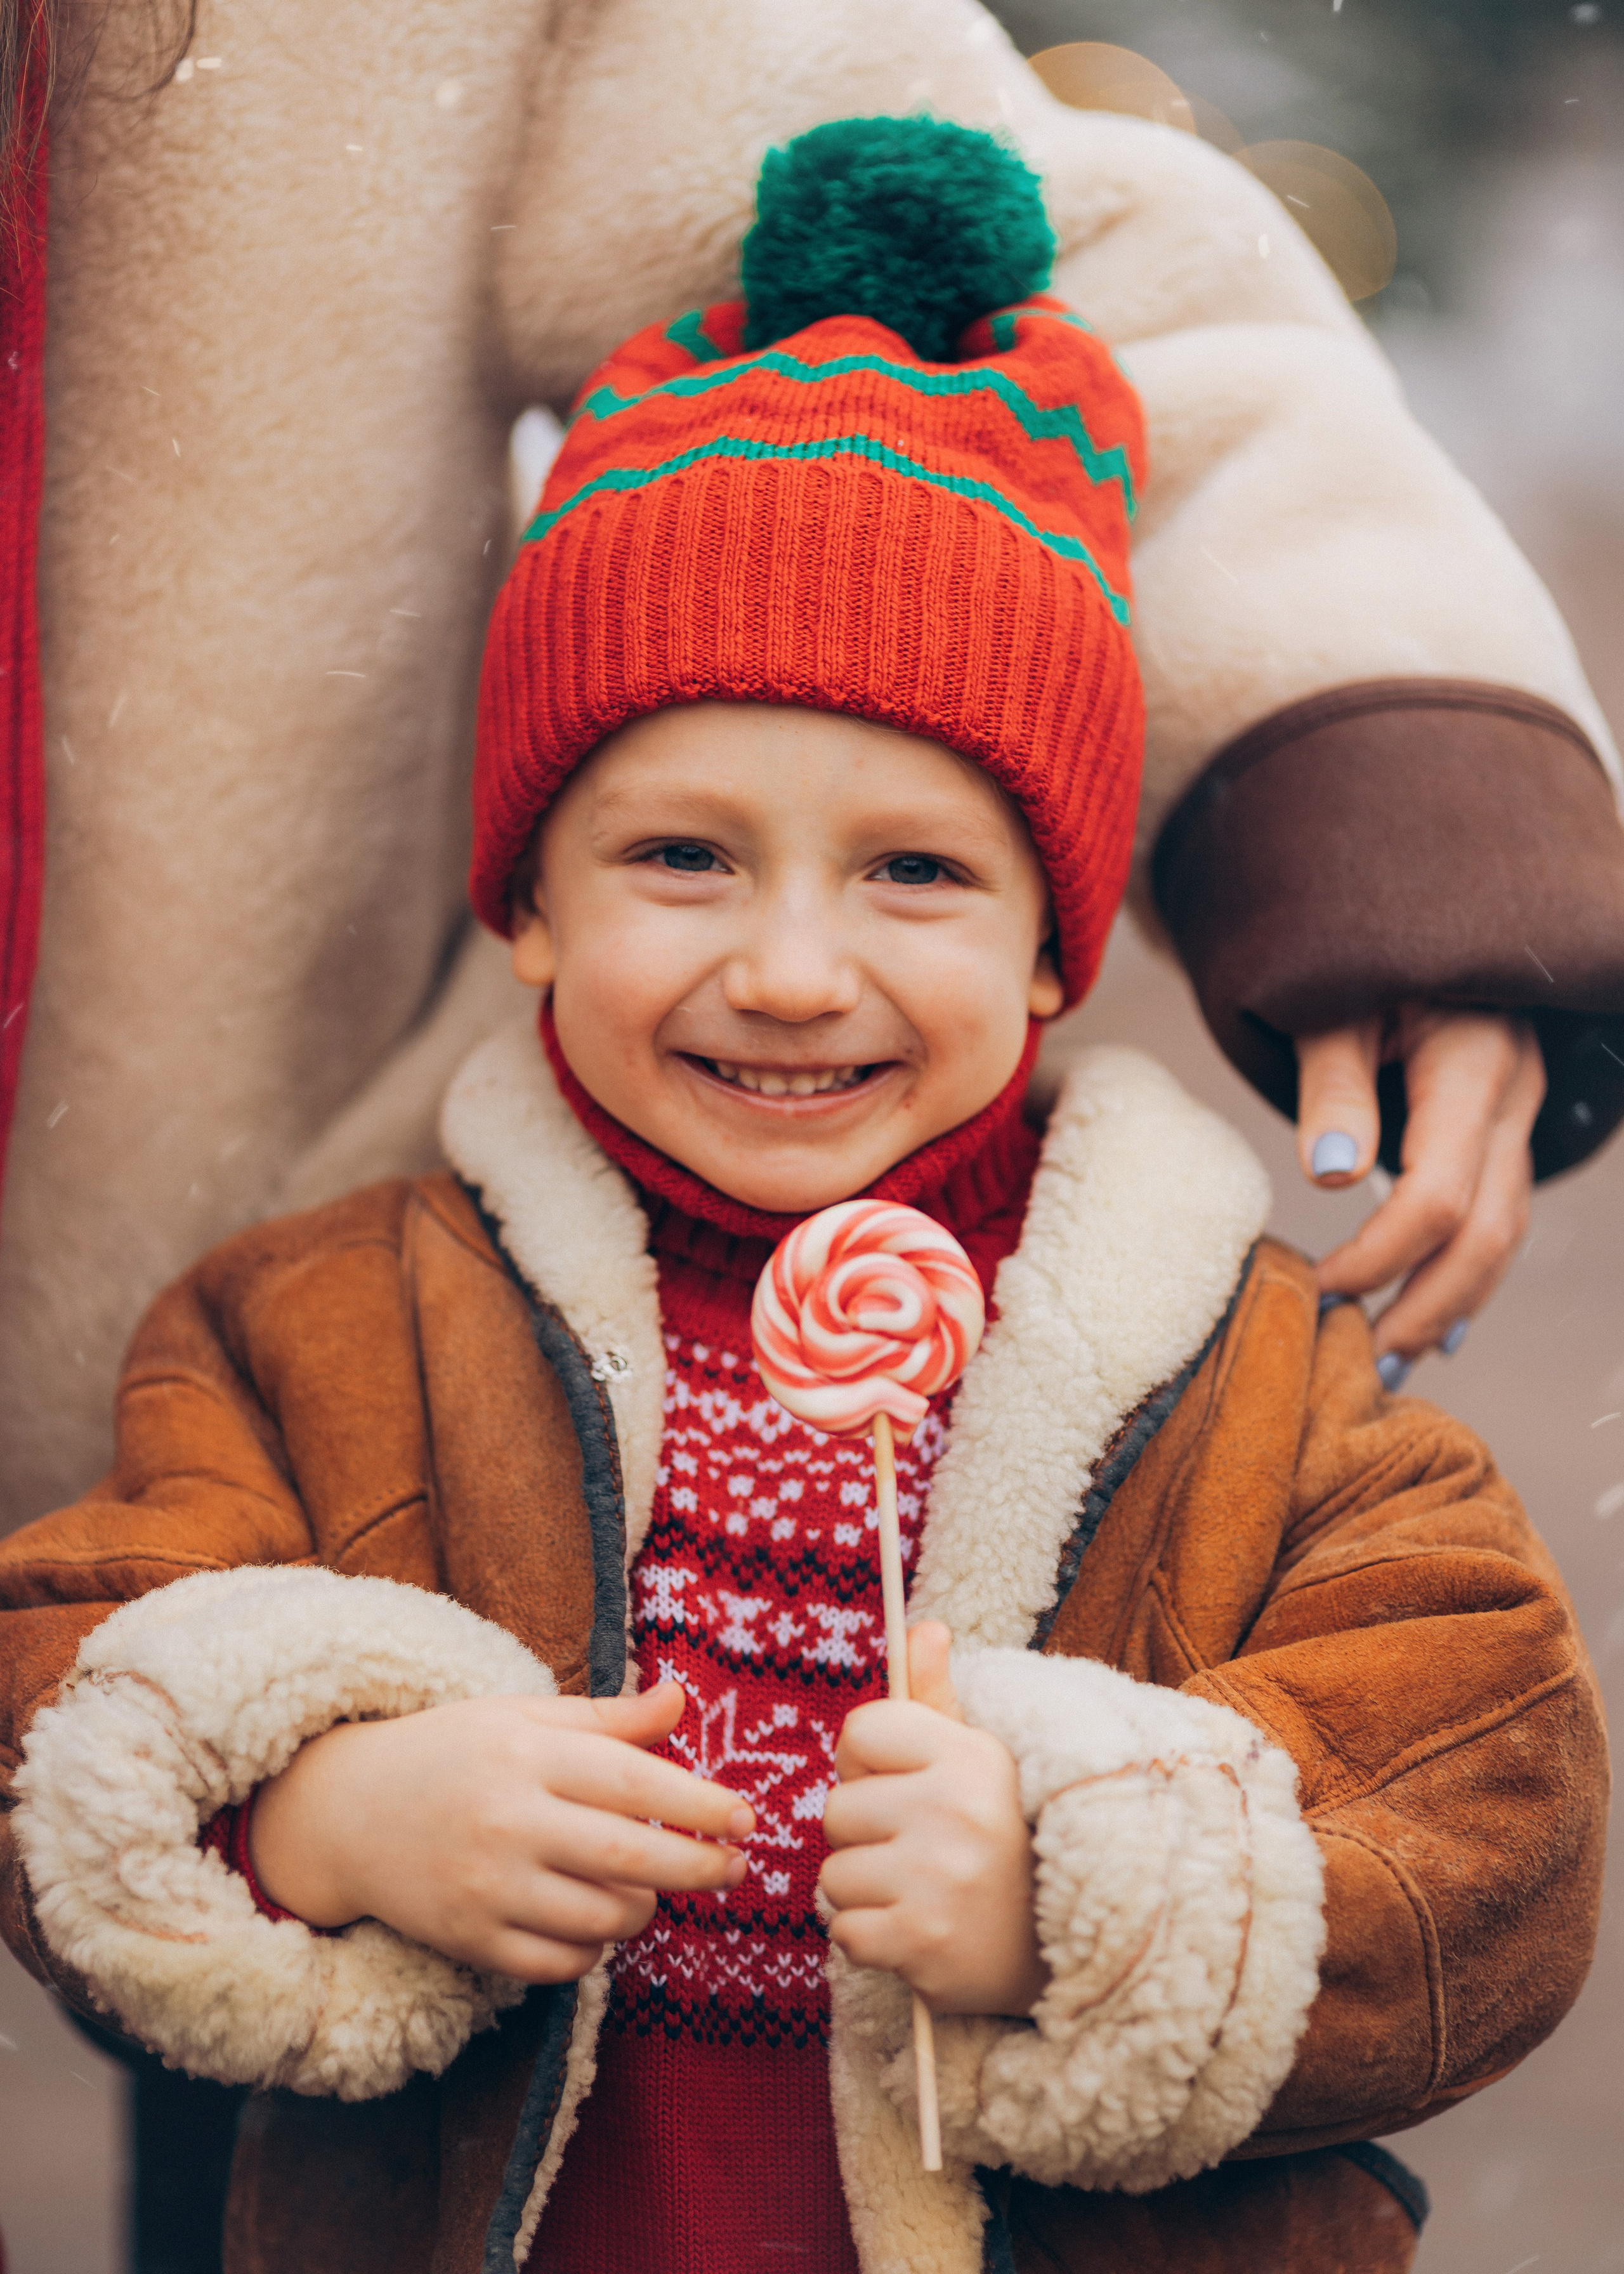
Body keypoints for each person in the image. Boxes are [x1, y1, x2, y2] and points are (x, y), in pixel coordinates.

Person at [0, 121, 1606, 2274]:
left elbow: (1500, 1814)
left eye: (917, 872)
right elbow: (57, 1694)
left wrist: (1089, 1888)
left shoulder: (1249, 1370)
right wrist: (316, 1809)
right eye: (680, 855)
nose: (786, 967)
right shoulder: (310, 1325)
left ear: (1057, 947)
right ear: (532, 905)